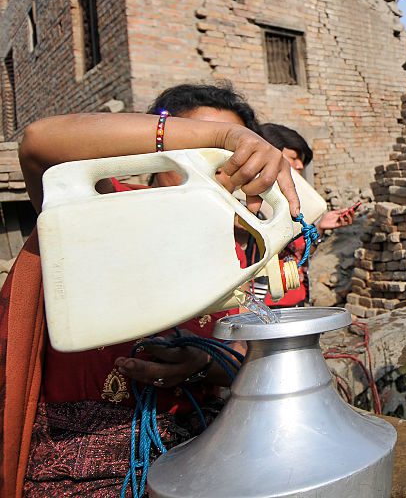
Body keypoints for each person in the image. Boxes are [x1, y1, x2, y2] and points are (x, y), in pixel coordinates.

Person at [0, 83, 300, 497]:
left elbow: (242, 352)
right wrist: (223, 137)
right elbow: (38, 143)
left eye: (229, 160)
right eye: (195, 150)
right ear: (154, 157)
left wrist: (198, 364)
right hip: (77, 468)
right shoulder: (101, 212)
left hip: (199, 451)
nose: (216, 170)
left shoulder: (243, 252)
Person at [256, 123, 356, 307]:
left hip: (296, 300)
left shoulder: (291, 203)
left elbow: (296, 256)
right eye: (293, 158)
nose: (300, 165)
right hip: (263, 306)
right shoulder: (252, 204)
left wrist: (319, 228)